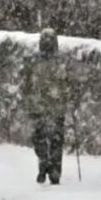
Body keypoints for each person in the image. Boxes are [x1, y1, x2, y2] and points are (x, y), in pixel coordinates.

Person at [27, 28, 70, 185]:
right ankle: (54, 170)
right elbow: (67, 84)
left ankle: (45, 161)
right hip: (55, 107)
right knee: (55, 140)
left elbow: (27, 84)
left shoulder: (33, 61)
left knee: (39, 138)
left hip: (39, 107)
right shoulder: (61, 62)